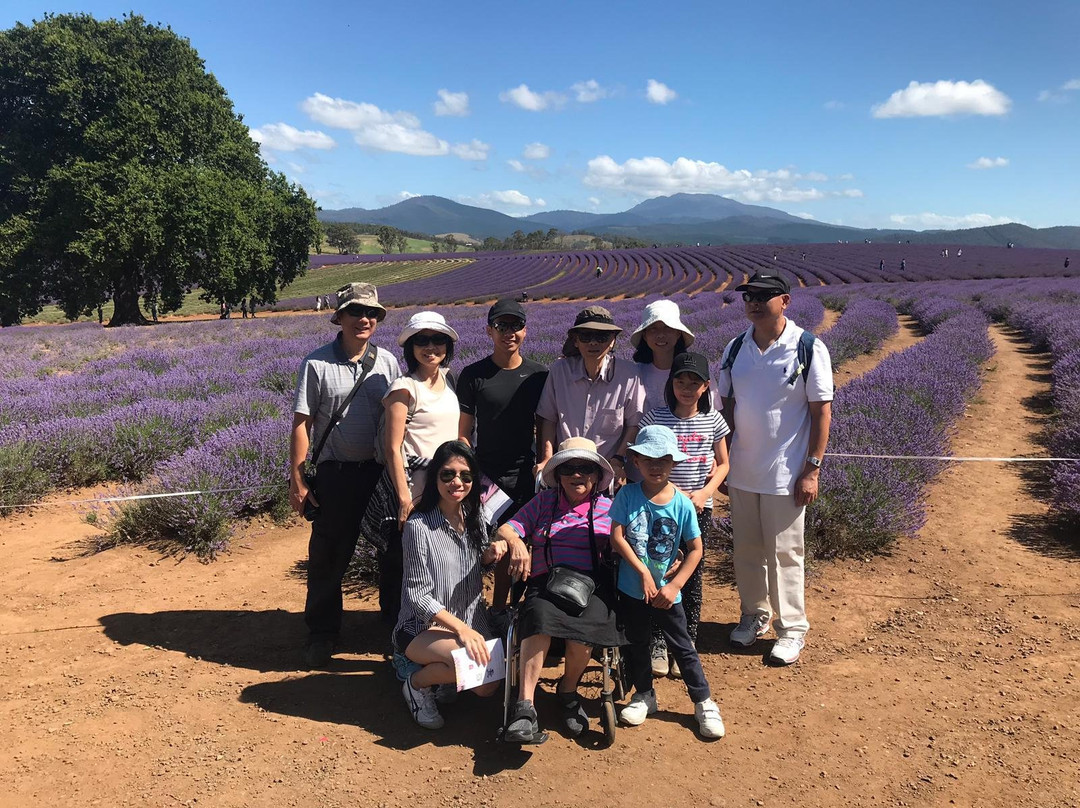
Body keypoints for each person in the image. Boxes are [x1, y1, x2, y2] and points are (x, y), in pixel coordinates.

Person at [718, 272, 833, 666]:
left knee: (785, 552)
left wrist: (812, 469)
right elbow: (727, 409)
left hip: (786, 473)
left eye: (764, 296)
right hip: (743, 472)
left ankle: (792, 629)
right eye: (749, 295)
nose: (753, 302)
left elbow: (822, 411)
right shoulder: (734, 349)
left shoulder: (807, 347)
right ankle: (754, 614)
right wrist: (724, 465)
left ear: (785, 301)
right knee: (747, 550)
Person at [290, 282, 400, 668]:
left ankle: (395, 627)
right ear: (340, 317)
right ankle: (322, 632)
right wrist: (299, 478)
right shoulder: (316, 363)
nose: (364, 319)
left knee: (393, 552)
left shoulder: (387, 362)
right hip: (336, 475)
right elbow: (302, 423)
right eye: (356, 312)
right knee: (328, 556)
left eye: (371, 313)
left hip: (380, 473)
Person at [498, 438, 624, 742]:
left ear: (596, 475)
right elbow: (507, 528)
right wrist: (516, 541)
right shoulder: (543, 503)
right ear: (558, 474)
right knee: (537, 616)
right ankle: (524, 708)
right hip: (546, 582)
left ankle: (567, 692)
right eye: (569, 467)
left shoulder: (610, 508)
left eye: (585, 468)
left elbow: (632, 544)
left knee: (586, 626)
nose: (577, 474)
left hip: (591, 586)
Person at [608, 424, 725, 740]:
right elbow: (616, 537)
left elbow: (696, 550)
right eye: (648, 458)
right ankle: (645, 694)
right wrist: (644, 572)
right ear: (635, 461)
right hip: (633, 589)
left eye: (663, 458)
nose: (655, 465)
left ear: (674, 461)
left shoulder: (683, 504)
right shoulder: (627, 495)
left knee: (682, 646)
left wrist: (674, 587)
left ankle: (703, 701)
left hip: (666, 594)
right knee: (638, 643)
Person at [393, 441, 508, 729]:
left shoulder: (474, 518)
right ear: (435, 478)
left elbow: (474, 566)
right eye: (448, 474)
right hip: (423, 627)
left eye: (465, 475)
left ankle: (445, 671)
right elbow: (418, 596)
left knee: (488, 685)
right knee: (479, 668)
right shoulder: (418, 527)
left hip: (470, 620)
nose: (457, 482)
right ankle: (417, 684)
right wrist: (462, 630)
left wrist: (488, 557)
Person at [637, 352, 730, 677]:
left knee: (691, 577)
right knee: (659, 574)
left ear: (706, 387)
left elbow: (724, 464)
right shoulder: (655, 418)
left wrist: (706, 492)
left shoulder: (713, 420)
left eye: (694, 383)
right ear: (670, 383)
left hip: (697, 510)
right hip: (662, 511)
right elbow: (644, 461)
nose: (686, 388)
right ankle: (659, 644)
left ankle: (685, 643)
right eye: (680, 381)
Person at [457, 299, 548, 609]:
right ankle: (484, 610)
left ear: (525, 331)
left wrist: (544, 461)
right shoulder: (473, 375)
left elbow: (544, 424)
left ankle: (509, 610)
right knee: (483, 548)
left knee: (522, 547)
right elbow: (463, 432)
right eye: (501, 326)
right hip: (487, 475)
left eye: (515, 326)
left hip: (524, 474)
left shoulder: (539, 375)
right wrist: (469, 470)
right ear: (489, 331)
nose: (509, 332)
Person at [378, 311, 461, 620]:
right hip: (417, 488)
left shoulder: (451, 379)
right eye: (422, 341)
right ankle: (398, 629)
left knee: (442, 557)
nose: (431, 348)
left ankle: (436, 622)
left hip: (449, 486)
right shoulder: (404, 387)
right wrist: (403, 497)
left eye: (438, 340)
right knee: (408, 560)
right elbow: (392, 447)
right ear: (410, 347)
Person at [536, 306, 645, 488]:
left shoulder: (629, 375)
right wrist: (547, 458)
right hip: (567, 471)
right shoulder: (560, 371)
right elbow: (548, 418)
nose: (593, 343)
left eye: (601, 337)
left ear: (612, 342)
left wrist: (618, 459)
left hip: (606, 472)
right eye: (586, 336)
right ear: (576, 341)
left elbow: (634, 424)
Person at [630, 299, 695, 415]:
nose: (660, 335)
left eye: (667, 328)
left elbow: (710, 414)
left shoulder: (696, 372)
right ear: (644, 335)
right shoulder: (634, 374)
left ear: (678, 333)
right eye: (653, 329)